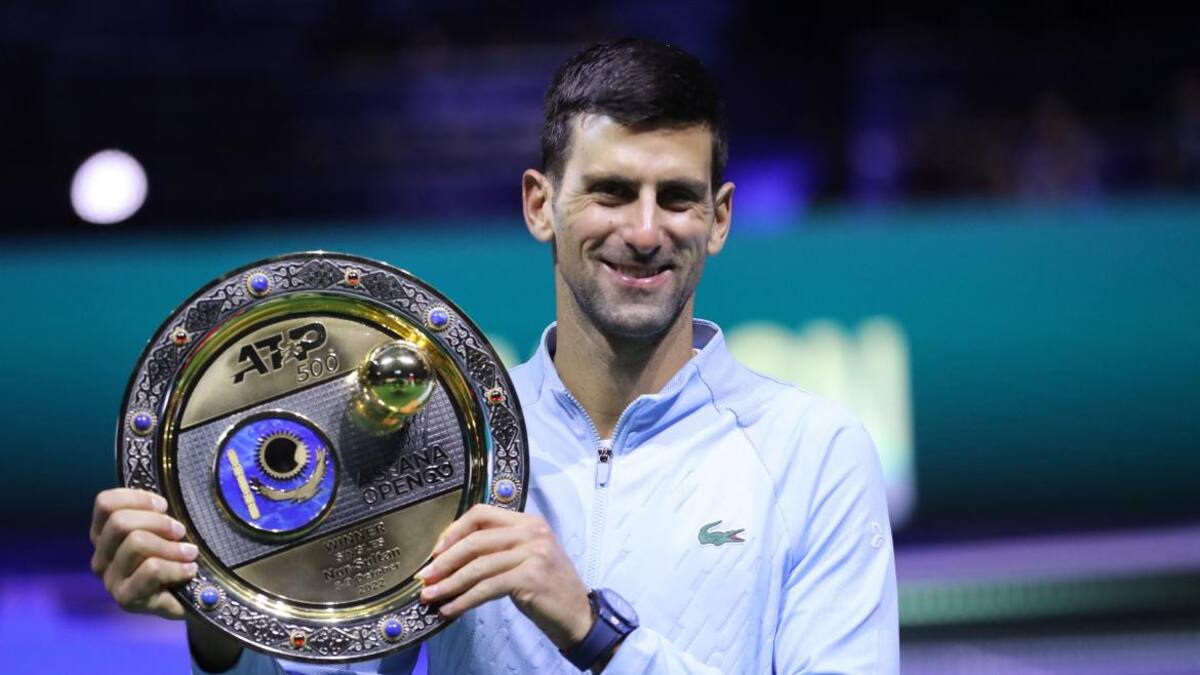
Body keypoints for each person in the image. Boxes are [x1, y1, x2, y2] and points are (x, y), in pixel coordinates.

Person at [90, 38, 899, 674]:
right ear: (540, 204)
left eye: (678, 197)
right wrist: (214, 616)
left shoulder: (812, 451)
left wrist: (591, 629)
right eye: (612, 191)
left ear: (719, 218)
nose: (647, 230)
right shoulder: (444, 444)